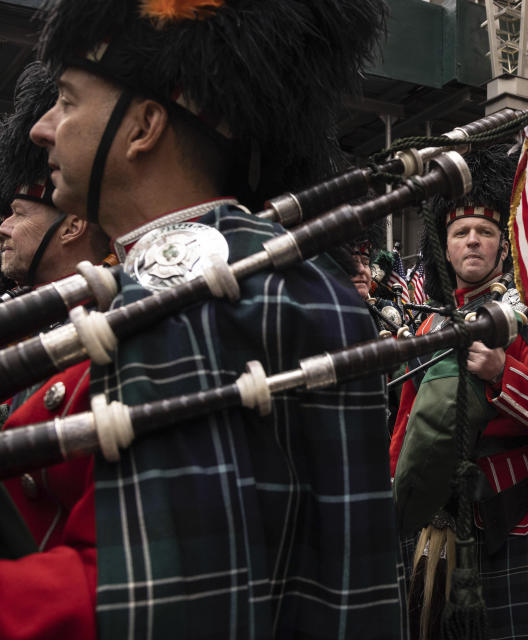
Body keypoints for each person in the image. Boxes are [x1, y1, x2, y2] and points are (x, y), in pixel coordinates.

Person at [25, 1, 402, 637]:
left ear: (144, 126)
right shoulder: (258, 273)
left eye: (65, 99)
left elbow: (160, 604)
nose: (42, 127)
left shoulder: (197, 296)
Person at [390, 146, 528, 639]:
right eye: (461, 232)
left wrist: (502, 371)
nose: (473, 242)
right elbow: (405, 430)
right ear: (444, 245)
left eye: (485, 232)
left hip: (521, 521)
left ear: (504, 246)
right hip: (438, 528)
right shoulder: (428, 328)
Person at [0, 60, 114, 640]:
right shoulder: (28, 316)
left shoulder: (113, 326)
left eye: (18, 213)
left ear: (71, 228)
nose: (3, 226)